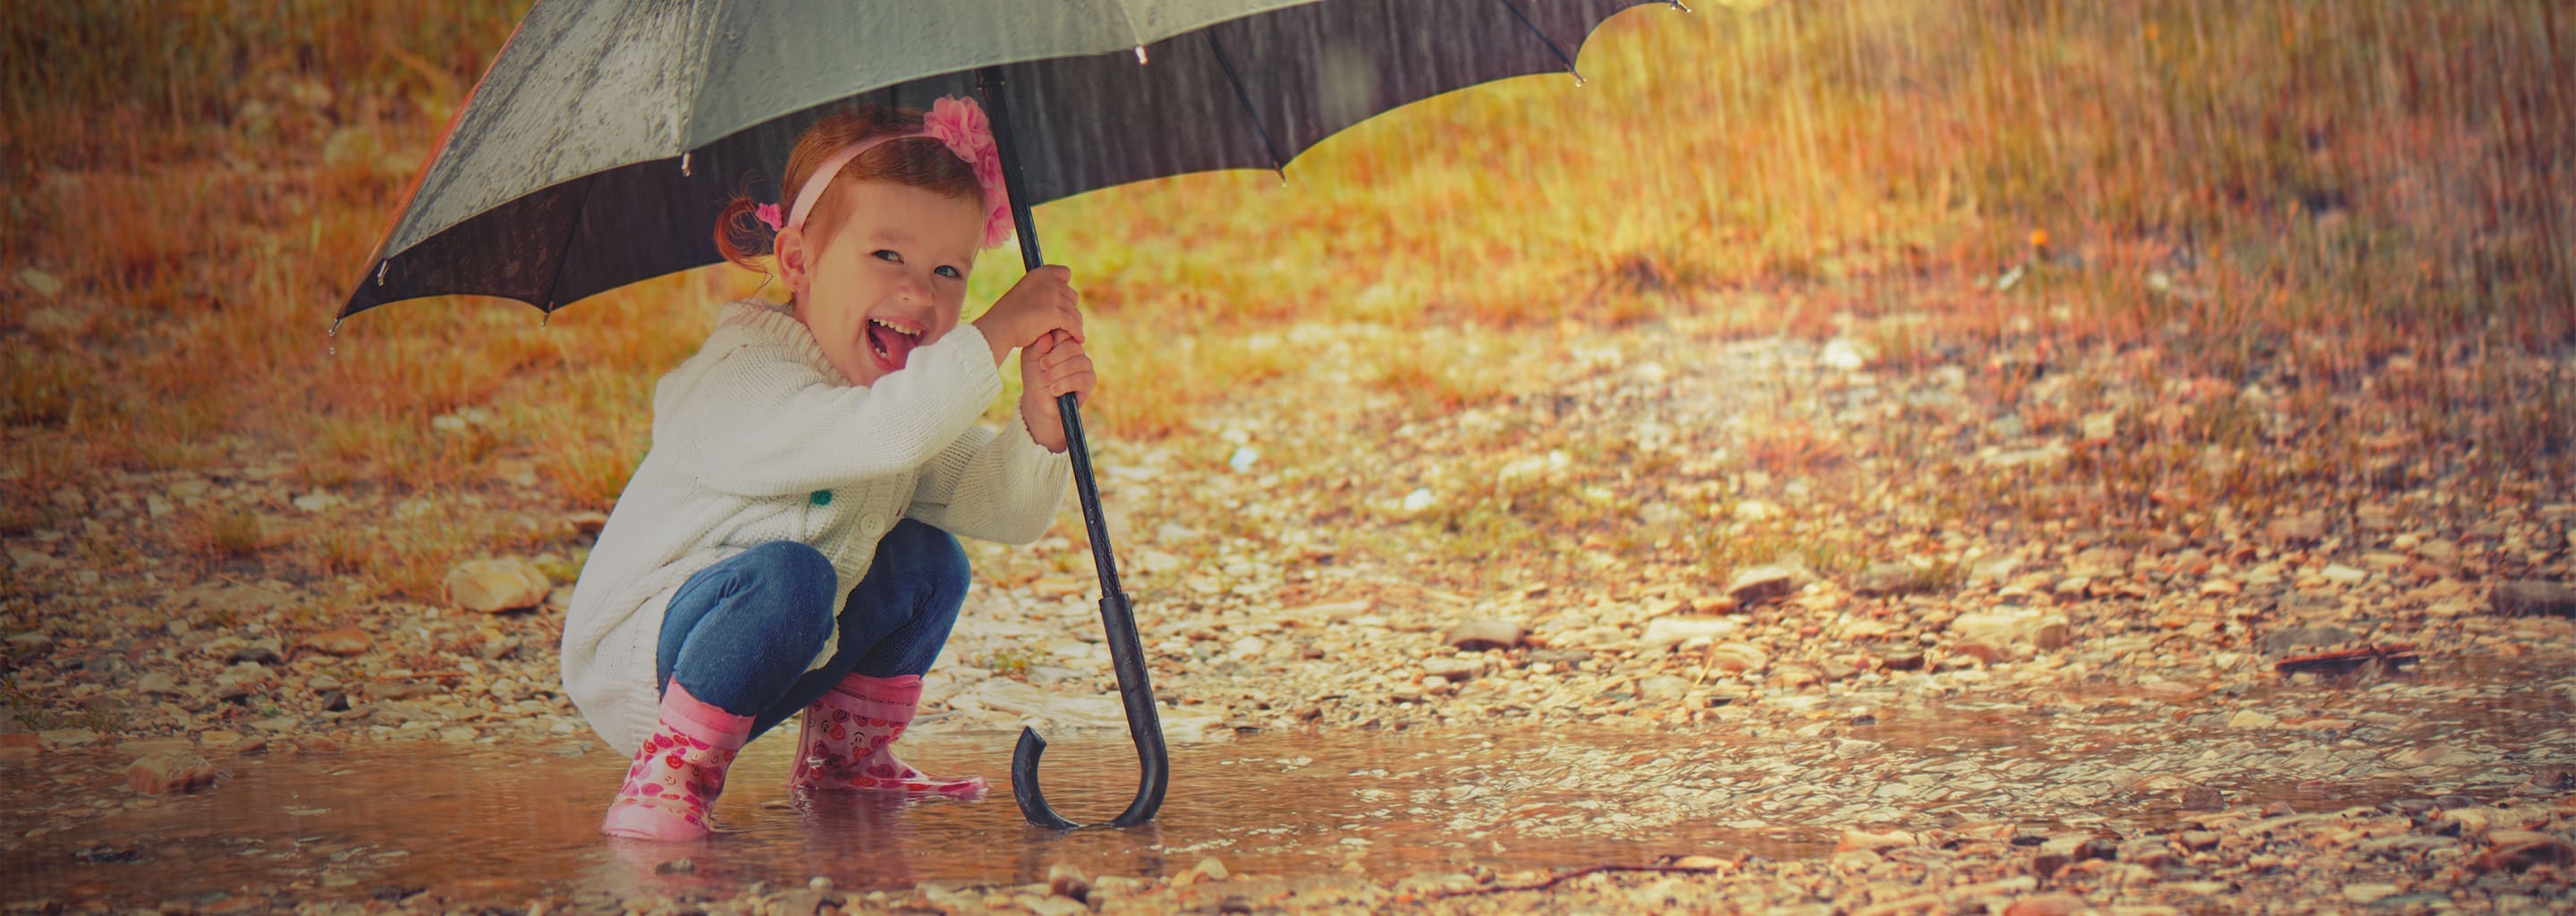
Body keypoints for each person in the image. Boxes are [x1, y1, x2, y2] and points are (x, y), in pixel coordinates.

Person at [559, 97, 1091, 843]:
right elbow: (887, 435)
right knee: (793, 577)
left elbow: (1003, 508)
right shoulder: (742, 379)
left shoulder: (884, 401)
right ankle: (670, 773)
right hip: (651, 666)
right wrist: (996, 331)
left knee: (928, 559)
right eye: (887, 256)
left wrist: (1041, 417)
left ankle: (845, 762)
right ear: (798, 259)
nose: (921, 294)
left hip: (779, 653)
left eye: (948, 270)